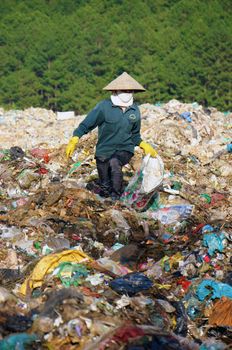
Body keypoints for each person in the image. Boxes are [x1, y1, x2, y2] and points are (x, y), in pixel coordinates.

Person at [66, 72, 157, 200]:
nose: (127, 93)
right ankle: (107, 197)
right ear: (115, 90)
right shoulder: (104, 107)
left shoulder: (134, 110)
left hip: (125, 149)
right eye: (124, 90)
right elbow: (87, 124)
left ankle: (116, 197)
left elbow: (135, 135)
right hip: (104, 150)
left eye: (130, 90)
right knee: (105, 185)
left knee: (115, 163)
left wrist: (143, 145)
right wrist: (75, 138)